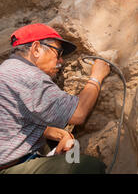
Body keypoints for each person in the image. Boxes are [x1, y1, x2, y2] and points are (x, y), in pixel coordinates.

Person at [0, 23, 110, 173]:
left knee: (55, 146)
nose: (61, 61)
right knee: (88, 167)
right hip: (8, 167)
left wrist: (60, 133)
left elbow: (15, 120)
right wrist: (96, 77)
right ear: (36, 49)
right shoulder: (29, 76)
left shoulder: (7, 69)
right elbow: (78, 113)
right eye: (58, 53)